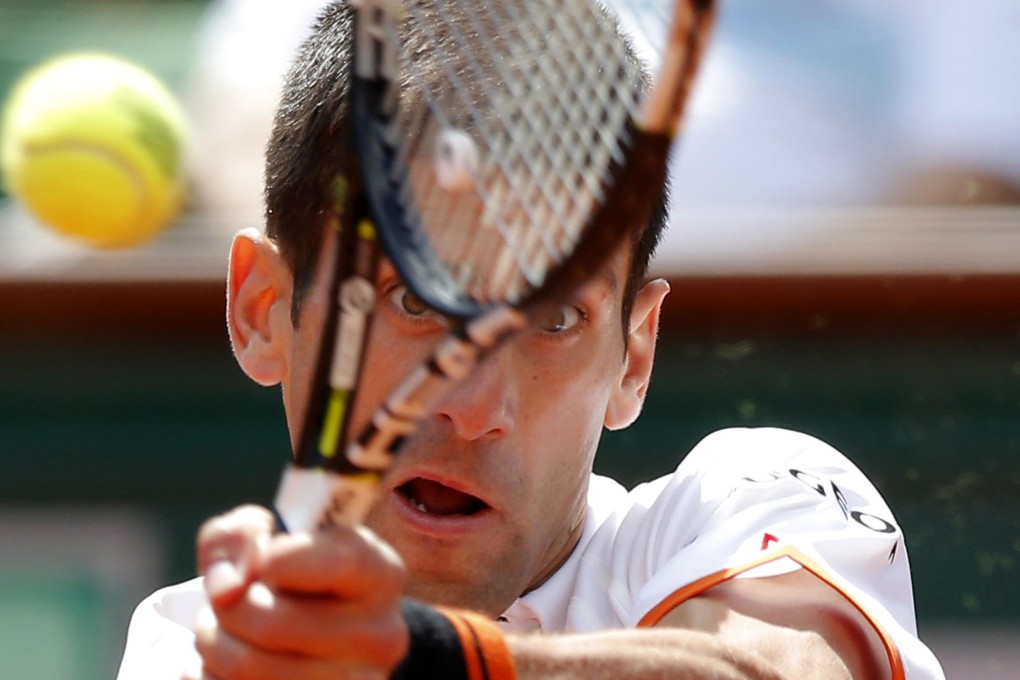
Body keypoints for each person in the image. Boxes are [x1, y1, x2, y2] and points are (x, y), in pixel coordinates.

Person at [117, 2, 945, 678]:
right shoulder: (185, 650)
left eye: (554, 321)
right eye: (412, 300)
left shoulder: (757, 501)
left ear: (636, 355)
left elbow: (777, 673)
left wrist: (431, 655)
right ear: (265, 311)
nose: (476, 407)